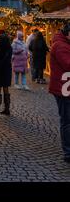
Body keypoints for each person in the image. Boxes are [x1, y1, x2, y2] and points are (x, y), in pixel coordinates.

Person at [49, 23, 70, 163]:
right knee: (67, 120)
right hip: (63, 89)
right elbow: (68, 65)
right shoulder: (61, 46)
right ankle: (68, 151)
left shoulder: (63, 43)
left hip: (65, 86)